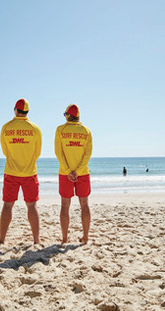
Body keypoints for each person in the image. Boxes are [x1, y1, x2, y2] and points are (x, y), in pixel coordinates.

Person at [0, 98, 42, 244]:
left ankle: (2, 239)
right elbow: (37, 152)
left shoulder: (6, 127)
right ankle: (36, 240)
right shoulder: (35, 129)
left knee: (7, 205)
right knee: (32, 206)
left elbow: (5, 150)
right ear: (27, 112)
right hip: (30, 172)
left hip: (11, 170)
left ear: (15, 110)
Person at [54, 104, 93, 244]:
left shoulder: (60, 129)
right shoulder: (86, 131)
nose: (64, 116)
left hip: (65, 173)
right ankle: (86, 237)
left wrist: (68, 171)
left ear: (68, 115)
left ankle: (64, 239)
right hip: (82, 173)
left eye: (65, 114)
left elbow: (58, 153)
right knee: (84, 204)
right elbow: (87, 155)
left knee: (65, 205)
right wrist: (77, 171)